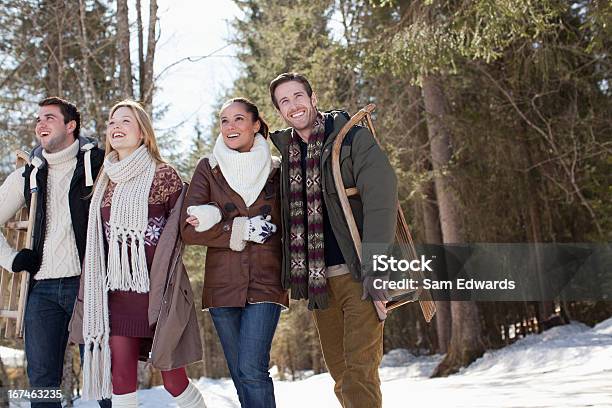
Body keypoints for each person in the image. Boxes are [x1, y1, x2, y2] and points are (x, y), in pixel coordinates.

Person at [268, 73, 398, 408]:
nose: (293, 105)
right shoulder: (287, 159)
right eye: (284, 101)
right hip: (318, 282)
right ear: (280, 111)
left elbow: (382, 203)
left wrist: (376, 267)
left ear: (313, 98)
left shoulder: (352, 139)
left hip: (359, 276)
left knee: (359, 372)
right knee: (342, 374)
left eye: (298, 96)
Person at [68, 100, 206, 408]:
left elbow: (186, 226)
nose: (116, 127)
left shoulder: (163, 175)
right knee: (121, 379)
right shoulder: (105, 180)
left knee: (173, 381)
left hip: (158, 296)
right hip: (116, 298)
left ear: (143, 132)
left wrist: (199, 219)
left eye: (125, 121)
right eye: (112, 122)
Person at [0, 97, 108, 408]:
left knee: (101, 376)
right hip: (42, 291)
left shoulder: (97, 163)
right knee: (42, 382)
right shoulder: (29, 174)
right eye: (38, 119)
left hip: (87, 286)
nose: (40, 124)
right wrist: (12, 259)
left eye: (49, 117)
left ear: (71, 125)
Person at [181, 97, 288, 408]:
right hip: (223, 286)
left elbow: (296, 220)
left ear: (256, 125)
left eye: (239, 119)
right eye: (224, 120)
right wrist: (240, 230)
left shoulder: (277, 169)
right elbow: (189, 229)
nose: (230, 126)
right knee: (240, 372)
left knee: (252, 370)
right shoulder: (208, 168)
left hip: (266, 281)